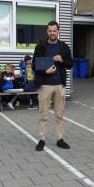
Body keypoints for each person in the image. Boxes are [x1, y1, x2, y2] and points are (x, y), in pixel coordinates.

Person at [33, 21, 73, 151]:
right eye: (50, 31)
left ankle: (60, 139)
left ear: (58, 31)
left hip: (59, 85)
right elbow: (34, 65)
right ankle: (42, 140)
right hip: (45, 85)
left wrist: (62, 60)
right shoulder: (40, 46)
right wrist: (45, 71)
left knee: (59, 115)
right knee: (43, 115)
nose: (52, 33)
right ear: (47, 31)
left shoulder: (64, 47)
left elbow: (70, 64)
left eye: (54, 31)